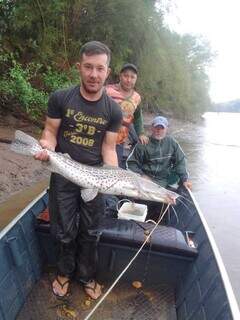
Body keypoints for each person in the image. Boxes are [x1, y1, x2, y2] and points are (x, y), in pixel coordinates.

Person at [34, 41, 122, 299]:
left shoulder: (113, 110)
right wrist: (45, 147)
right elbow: (50, 132)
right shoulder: (61, 98)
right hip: (63, 173)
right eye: (88, 67)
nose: (94, 74)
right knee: (63, 230)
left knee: (91, 232)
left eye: (100, 69)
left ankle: (86, 276)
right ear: (79, 68)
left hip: (94, 178)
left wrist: (113, 177)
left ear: (107, 71)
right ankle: (63, 273)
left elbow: (109, 149)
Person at [126, 115, 191, 221]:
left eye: (162, 128)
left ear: (166, 129)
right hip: (144, 182)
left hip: (163, 182)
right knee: (142, 202)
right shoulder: (143, 143)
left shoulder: (172, 143)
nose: (158, 130)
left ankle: (160, 219)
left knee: (166, 205)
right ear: (151, 128)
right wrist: (142, 176)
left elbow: (181, 162)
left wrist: (184, 179)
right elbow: (131, 164)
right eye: (156, 127)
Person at [106, 63, 148, 167]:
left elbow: (137, 117)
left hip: (119, 141)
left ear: (136, 79)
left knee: (115, 169)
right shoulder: (107, 91)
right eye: (126, 76)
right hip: (102, 137)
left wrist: (141, 133)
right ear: (120, 76)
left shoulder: (137, 97)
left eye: (132, 77)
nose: (129, 80)